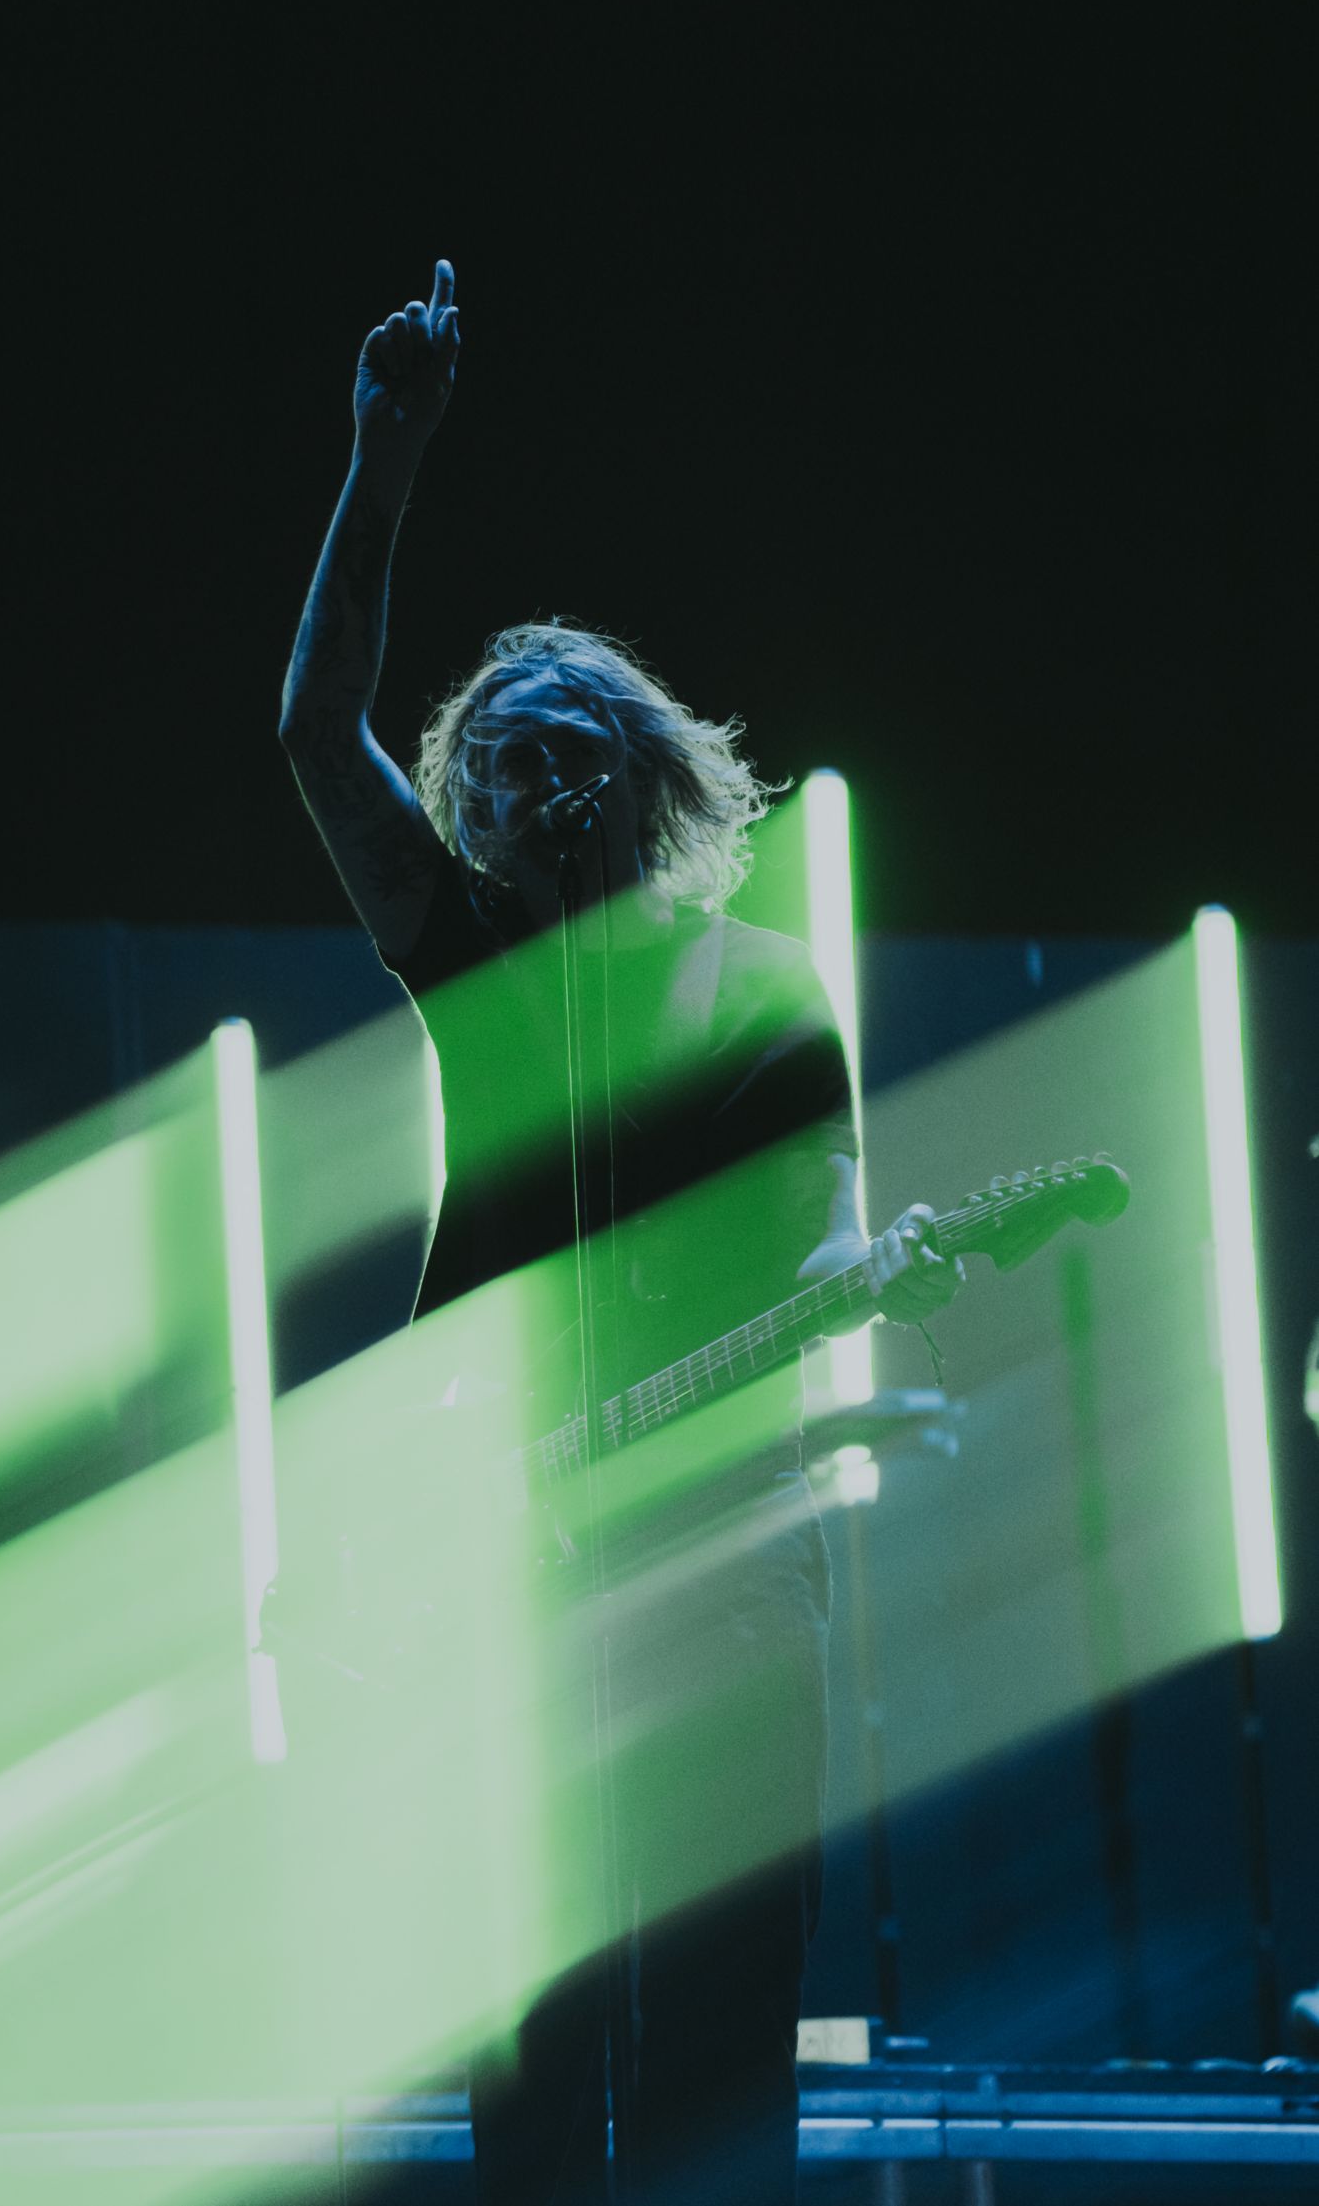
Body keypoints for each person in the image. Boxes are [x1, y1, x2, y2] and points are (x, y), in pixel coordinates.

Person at [278, 260, 963, 2206]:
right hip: (513, 1568)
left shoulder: (768, 995)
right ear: (474, 807)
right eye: (497, 754)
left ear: (640, 768)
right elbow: (314, 730)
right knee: (532, 2048)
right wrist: (382, 464)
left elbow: (826, 1253)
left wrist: (869, 1334)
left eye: (567, 736)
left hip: (727, 1559)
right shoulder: (473, 958)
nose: (533, 770)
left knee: (720, 2054)